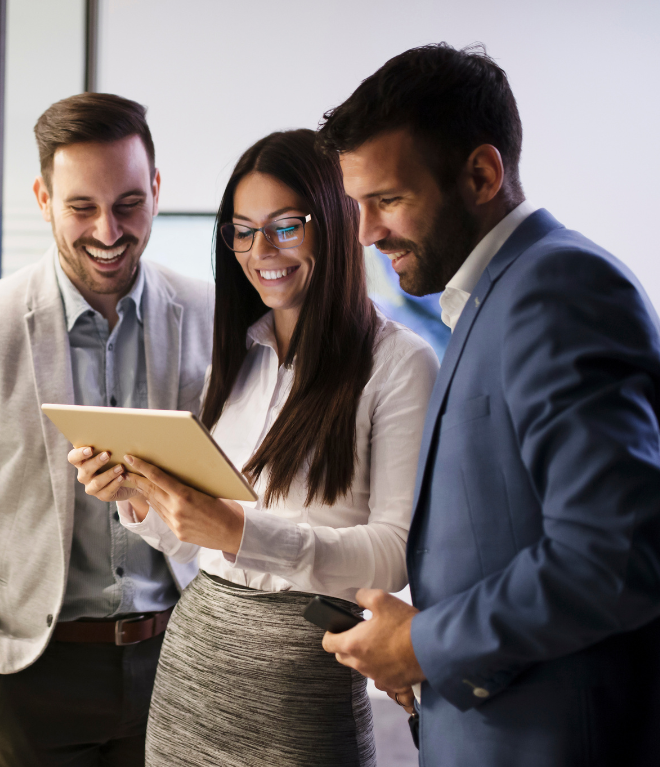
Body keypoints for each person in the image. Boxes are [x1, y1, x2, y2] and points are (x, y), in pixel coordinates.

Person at [317, 43, 660, 766]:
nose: (368, 231)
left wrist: (420, 645)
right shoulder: (489, 298)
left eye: (388, 200)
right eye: (359, 205)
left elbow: (614, 556)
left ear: (480, 174)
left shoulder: (557, 287)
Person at [71, 129, 438, 767]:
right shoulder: (239, 354)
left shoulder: (400, 362)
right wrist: (140, 498)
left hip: (301, 680)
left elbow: (392, 556)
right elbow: (197, 541)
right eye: (242, 230)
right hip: (194, 668)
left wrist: (240, 530)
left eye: (284, 226)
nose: (259, 250)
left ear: (335, 222)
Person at [0, 93, 213, 767]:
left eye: (129, 203)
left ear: (157, 190)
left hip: (180, 661)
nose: (108, 231)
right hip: (34, 678)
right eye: (82, 207)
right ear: (43, 198)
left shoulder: (210, 315)